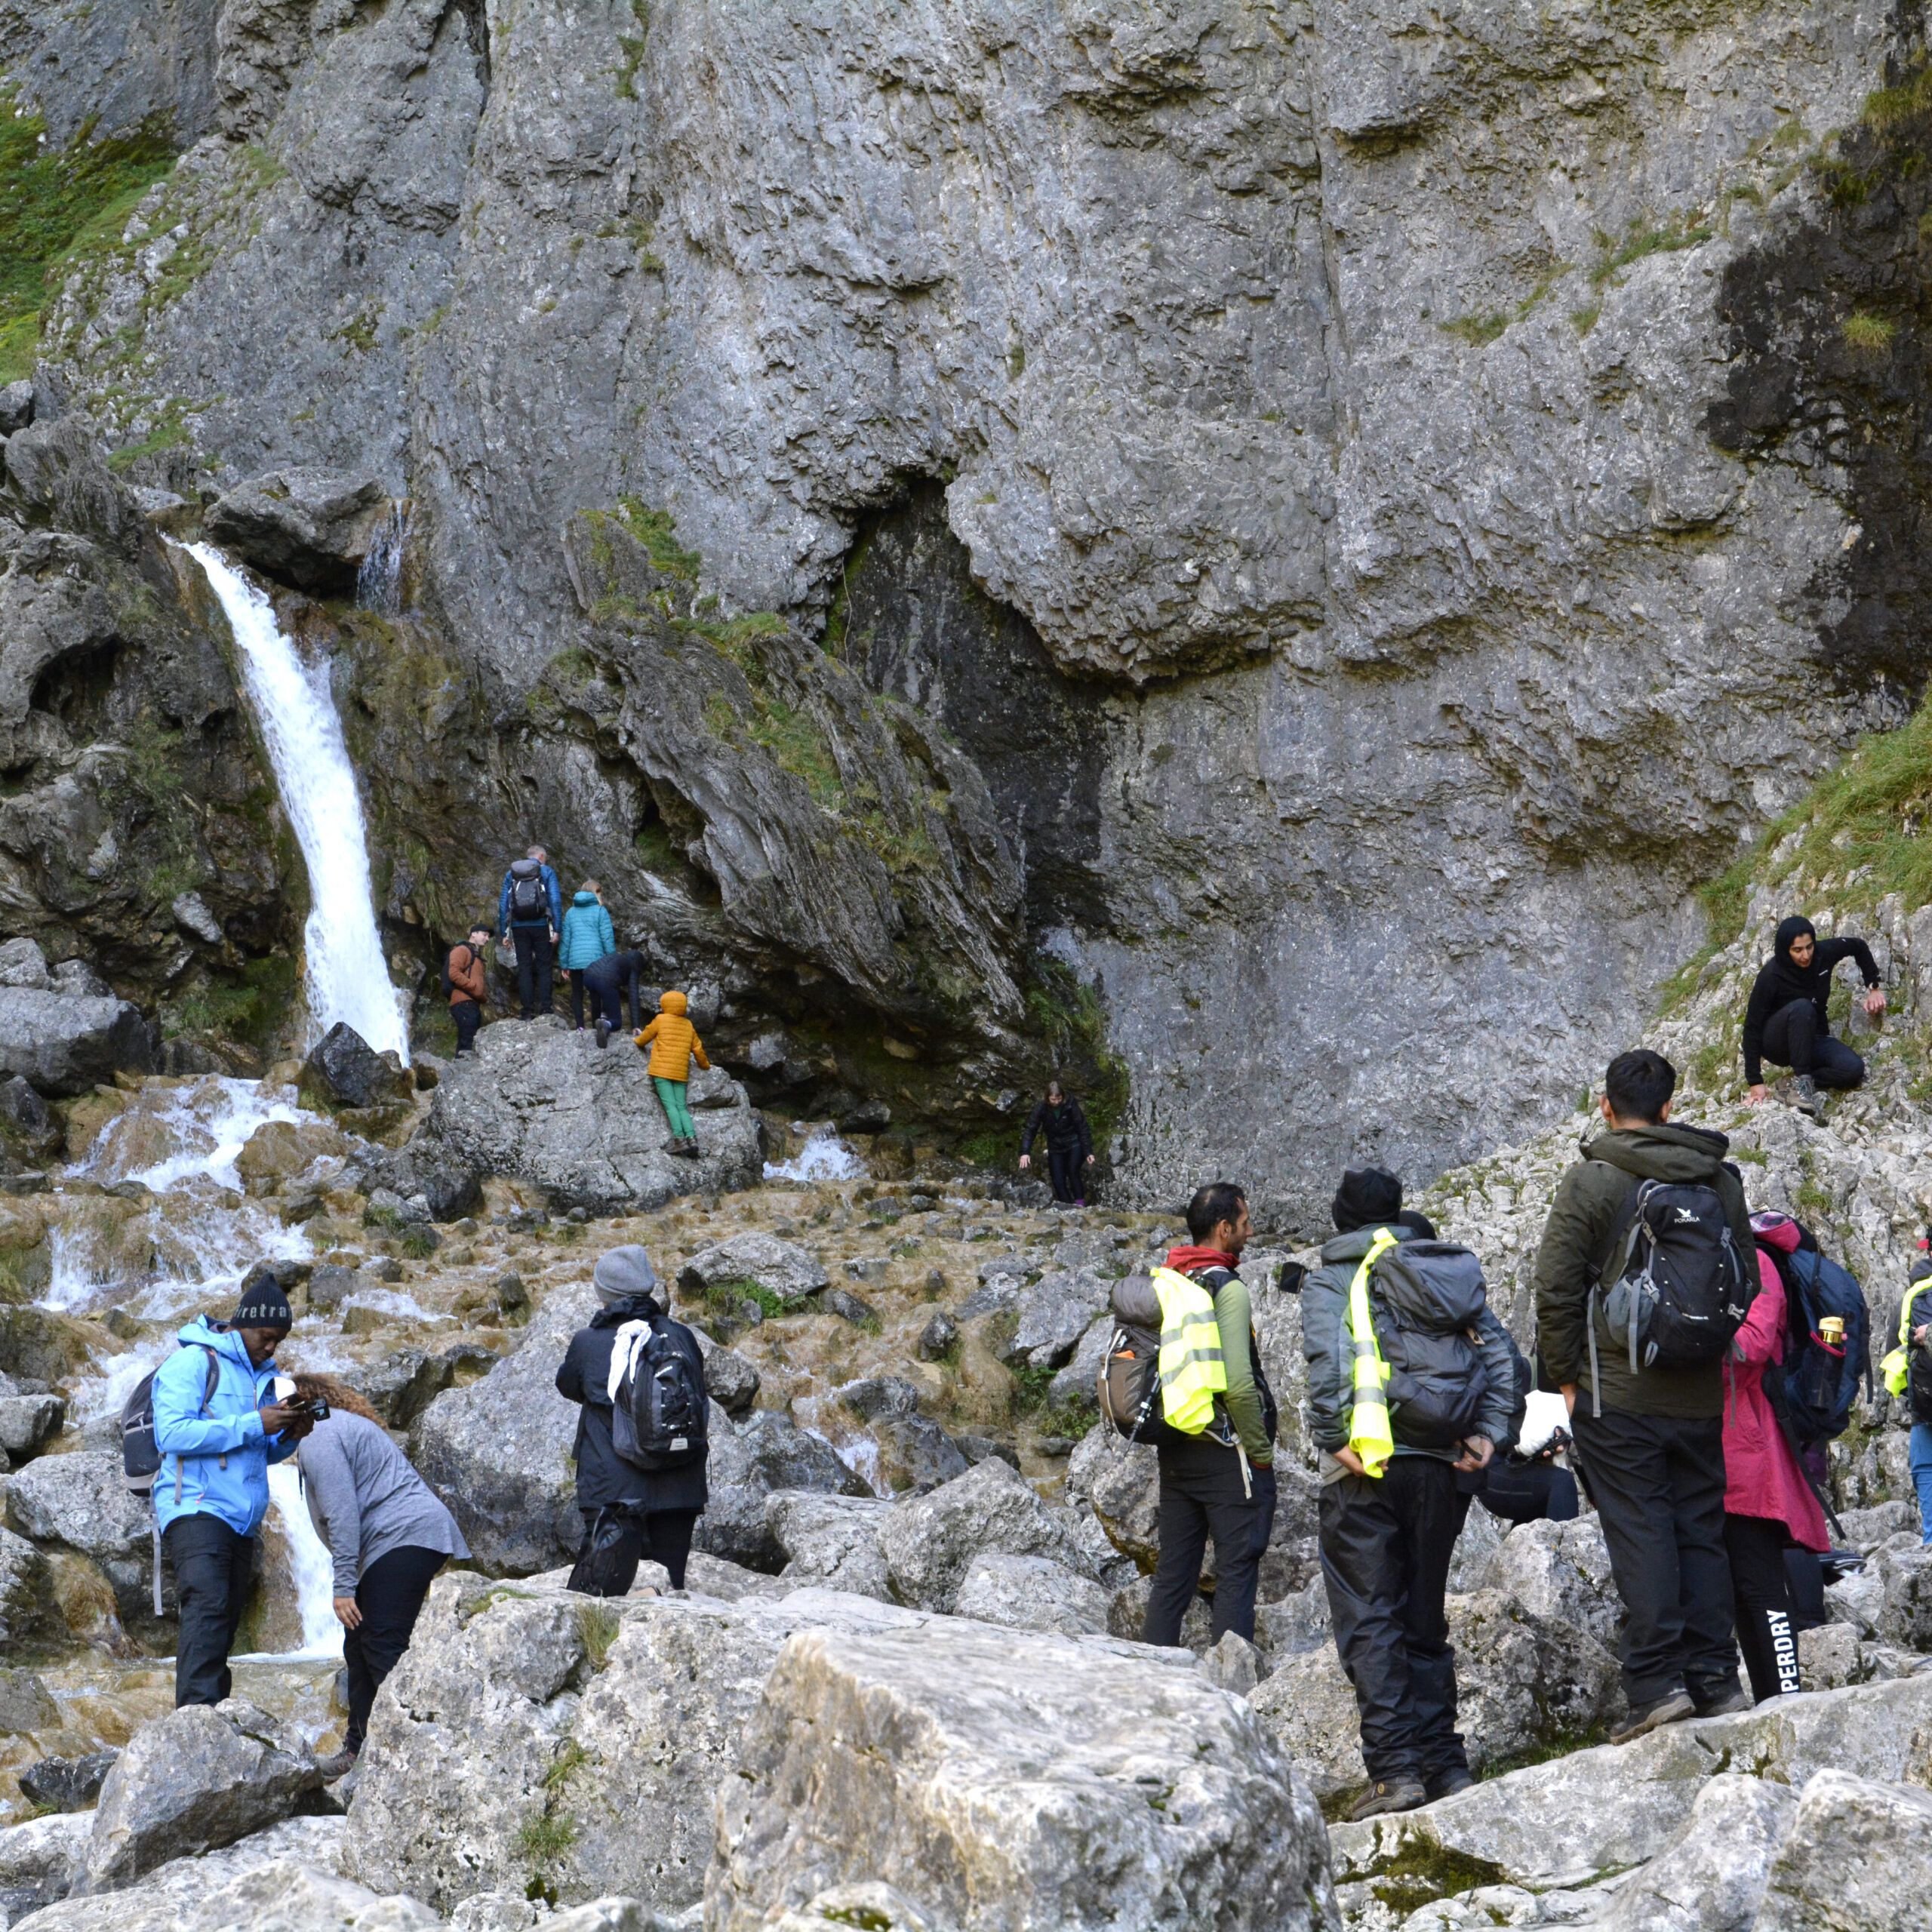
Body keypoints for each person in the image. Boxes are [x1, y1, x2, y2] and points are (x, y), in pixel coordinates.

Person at [1533, 1049, 1753, 1743]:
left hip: (1617, 1396)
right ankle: (1716, 1679)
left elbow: (1556, 1289)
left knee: (1642, 1532)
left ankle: (1657, 1685)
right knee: (1700, 1531)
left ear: (1607, 1107)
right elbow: (1744, 1276)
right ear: (1667, 1107)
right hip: (1698, 1394)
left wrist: (1567, 1381)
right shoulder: (1718, 1178)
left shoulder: (1593, 1180)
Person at [1304, 1164, 1523, 1818]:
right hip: (1440, 1467)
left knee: (1370, 1619)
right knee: (1424, 1616)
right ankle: (1447, 1766)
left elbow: (1328, 1357)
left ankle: (1397, 1771)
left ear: (1342, 1220)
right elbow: (1501, 1354)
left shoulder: (1332, 1276)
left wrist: (1330, 1434)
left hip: (1363, 1467)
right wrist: (1489, 1435)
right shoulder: (1439, 1269)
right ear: (1398, 1214)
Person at [289, 1375, 469, 1777]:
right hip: (399, 1541)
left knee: (383, 1643)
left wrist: (342, 1587)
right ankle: (360, 1750)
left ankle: (419, 1754)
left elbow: (343, 1515)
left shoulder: (318, 1437)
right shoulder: (332, 1427)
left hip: (403, 1537)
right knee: (358, 1645)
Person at [151, 1276, 312, 1708]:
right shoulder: (192, 1363)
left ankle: (216, 1719)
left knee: (224, 1619)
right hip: (195, 1505)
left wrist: (291, 1435)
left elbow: (259, 1452)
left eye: (279, 1340)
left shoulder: (269, 1377)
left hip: (242, 1517)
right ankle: (195, 1718)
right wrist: (255, 1422)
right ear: (244, 1325)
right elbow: (172, 1434)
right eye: (267, 1337)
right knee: (208, 1605)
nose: (273, 1348)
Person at [1140, 1182, 1276, 1654]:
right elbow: (1239, 1383)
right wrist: (1260, 1452)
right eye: (1244, 1223)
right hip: (1225, 1454)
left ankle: (1152, 1672)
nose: (1250, 1231)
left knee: (1173, 1575)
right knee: (1237, 1570)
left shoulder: (1169, 1279)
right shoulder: (1227, 1288)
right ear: (1223, 1229)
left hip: (1176, 1445)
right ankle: (1230, 1695)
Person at [555, 1246, 706, 1593]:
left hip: (614, 1493)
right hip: (680, 1487)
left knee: (599, 1595)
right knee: (671, 1592)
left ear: (603, 1293)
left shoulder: (589, 1342)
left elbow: (567, 1385)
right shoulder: (681, 1337)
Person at [1724, 1218, 1829, 1703]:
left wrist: (1691, 1340)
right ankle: (1771, 1701)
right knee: (1744, 1589)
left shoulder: (1757, 1262)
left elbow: (1756, 1342)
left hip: (1751, 1448)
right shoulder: (1729, 1260)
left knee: (1763, 1584)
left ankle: (1788, 1700)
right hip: (1731, 1447)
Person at [1742, 915, 1884, 1115]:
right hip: (1777, 1042)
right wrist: (1755, 1081)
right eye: (1797, 950)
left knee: (1853, 1069)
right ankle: (1802, 1086)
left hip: (1813, 1036)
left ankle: (1792, 1083)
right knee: (1802, 1007)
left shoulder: (1823, 953)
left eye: (1809, 947)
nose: (1806, 955)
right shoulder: (1771, 975)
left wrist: (1873, 986)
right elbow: (1752, 1028)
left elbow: (1858, 946)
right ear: (1785, 950)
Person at [1884, 1233, 1932, 1545]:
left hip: (1926, 1405)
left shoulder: (1913, 1295)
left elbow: (1894, 1352)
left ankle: (1931, 1540)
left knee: (1926, 1468)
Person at [635, 989, 709, 1158]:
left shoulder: (661, 1020)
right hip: (681, 1073)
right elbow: (698, 1049)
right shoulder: (688, 1025)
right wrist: (705, 1065)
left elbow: (644, 1038)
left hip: (662, 1071)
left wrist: (637, 1040)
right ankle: (692, 1139)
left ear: (665, 1004)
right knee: (681, 1107)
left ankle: (680, 1141)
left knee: (671, 1106)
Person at [498, 844, 563, 1021]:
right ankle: (546, 1009)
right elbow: (555, 901)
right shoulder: (546, 872)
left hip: (519, 926)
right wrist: (557, 929)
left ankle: (527, 1011)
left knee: (524, 966)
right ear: (541, 856)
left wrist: (504, 932)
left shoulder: (511, 874)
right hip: (541, 924)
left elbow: (503, 904)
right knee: (544, 966)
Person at [1019, 1080, 1094, 1204]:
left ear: (1062, 1097)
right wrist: (1025, 1152)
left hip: (1073, 1143)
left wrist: (1088, 1152)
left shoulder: (1070, 1104)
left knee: (1073, 1171)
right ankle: (1068, 1208)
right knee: (1058, 1180)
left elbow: (1082, 1127)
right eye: (1053, 1099)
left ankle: (1081, 1206)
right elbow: (1031, 1129)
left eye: (1058, 1099)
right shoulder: (1041, 1108)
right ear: (1048, 1098)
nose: (1056, 1102)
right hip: (1055, 1146)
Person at [558, 882, 616, 1029]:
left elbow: (566, 940)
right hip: (596, 961)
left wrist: (564, 964)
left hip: (575, 960)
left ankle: (580, 1027)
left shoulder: (571, 912)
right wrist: (612, 960)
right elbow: (607, 938)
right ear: (594, 893)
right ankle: (597, 1027)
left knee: (577, 995)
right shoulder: (600, 911)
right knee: (595, 995)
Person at [581, 946, 647, 1048]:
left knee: (597, 1004)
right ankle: (606, 1025)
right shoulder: (633, 966)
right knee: (616, 1022)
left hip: (588, 976)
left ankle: (598, 1025)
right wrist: (636, 1026)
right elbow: (633, 995)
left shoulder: (617, 958)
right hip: (605, 981)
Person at [446, 923, 490, 1057]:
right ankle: (462, 1074)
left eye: (488, 936)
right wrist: (473, 986)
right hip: (463, 1002)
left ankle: (459, 1072)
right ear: (473, 934)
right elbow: (453, 973)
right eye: (484, 935)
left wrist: (481, 996)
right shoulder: (462, 950)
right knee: (468, 1043)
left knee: (467, 1042)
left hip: (471, 1003)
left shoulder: (476, 956)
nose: (487, 939)